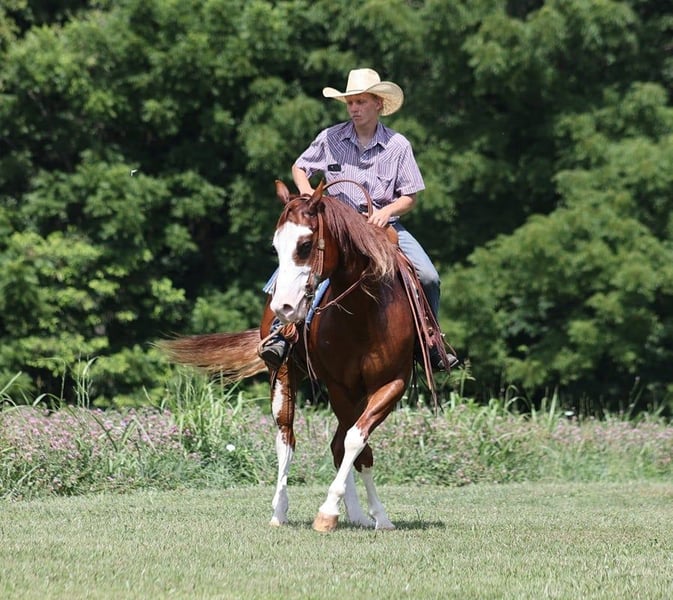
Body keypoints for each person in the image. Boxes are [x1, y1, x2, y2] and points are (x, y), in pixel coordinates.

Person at [260, 68, 454, 370]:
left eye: (361, 102)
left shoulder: (398, 145)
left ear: (378, 104)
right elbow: (300, 168)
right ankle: (279, 332)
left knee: (429, 276)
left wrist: (386, 212)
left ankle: (429, 341)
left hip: (381, 226)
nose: (354, 108)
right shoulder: (330, 138)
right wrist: (307, 193)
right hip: (337, 227)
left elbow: (410, 196)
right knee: (294, 263)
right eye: (350, 102)